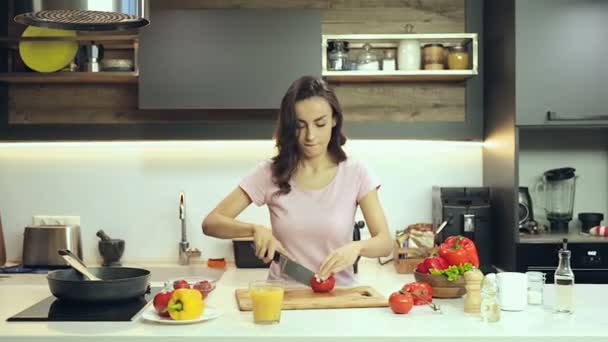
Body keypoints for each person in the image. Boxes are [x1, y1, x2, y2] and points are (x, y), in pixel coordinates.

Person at [202, 76, 392, 286]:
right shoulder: (270, 173)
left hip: (340, 298)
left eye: (320, 124)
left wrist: (358, 248)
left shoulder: (356, 173)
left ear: (334, 120)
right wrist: (255, 230)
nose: (310, 136)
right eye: (300, 126)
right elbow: (211, 223)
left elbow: (385, 242)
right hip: (282, 298)